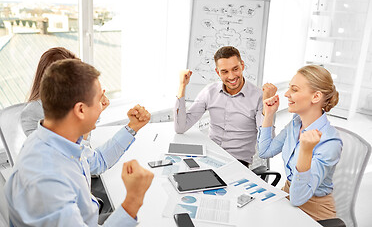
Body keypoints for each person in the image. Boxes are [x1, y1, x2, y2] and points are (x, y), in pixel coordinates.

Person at [5, 59, 154, 226]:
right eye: (99, 99)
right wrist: (134, 200)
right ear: (81, 110)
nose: (103, 105)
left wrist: (132, 128)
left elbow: (98, 161)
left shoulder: (55, 138)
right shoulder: (49, 179)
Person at [258, 65, 342, 221]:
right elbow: (265, 151)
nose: (286, 94)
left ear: (316, 97)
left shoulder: (330, 142)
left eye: (294, 90)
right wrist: (268, 115)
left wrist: (305, 151)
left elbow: (299, 198)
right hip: (287, 196)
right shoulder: (295, 123)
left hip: (315, 212)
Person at [174, 46, 277, 166]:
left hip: (238, 162)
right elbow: (180, 127)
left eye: (235, 69)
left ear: (242, 66)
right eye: (225, 71)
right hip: (209, 157)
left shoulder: (259, 97)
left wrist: (267, 106)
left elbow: (268, 143)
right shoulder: (209, 92)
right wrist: (182, 86)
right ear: (218, 72)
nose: (232, 76)